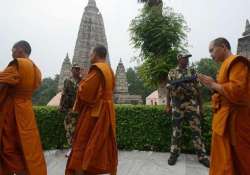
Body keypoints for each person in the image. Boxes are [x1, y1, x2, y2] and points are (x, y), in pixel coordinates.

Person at [198, 37, 250, 175]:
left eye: (212, 50)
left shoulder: (237, 62)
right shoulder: (225, 65)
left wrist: (213, 84)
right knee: (223, 159)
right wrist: (213, 86)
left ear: (223, 46)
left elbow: (238, 91)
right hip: (223, 119)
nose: (211, 54)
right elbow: (223, 90)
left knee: (238, 159)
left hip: (235, 121)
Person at [65, 45, 118, 175]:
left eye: (91, 54)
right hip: (107, 110)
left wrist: (81, 82)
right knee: (101, 142)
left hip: (95, 112)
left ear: (95, 54)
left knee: (82, 142)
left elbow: (85, 92)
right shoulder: (109, 70)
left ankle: (82, 168)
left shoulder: (97, 69)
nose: (89, 56)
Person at [0, 41, 47, 175]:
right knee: (26, 147)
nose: (12, 53)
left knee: (7, 148)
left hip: (12, 111)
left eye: (13, 50)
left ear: (20, 50)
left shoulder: (19, 65)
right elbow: (36, 85)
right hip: (26, 111)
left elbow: (2, 80)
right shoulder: (35, 69)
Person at [166, 53, 209, 167]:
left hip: (191, 104)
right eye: (185, 58)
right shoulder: (172, 72)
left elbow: (198, 90)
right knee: (176, 132)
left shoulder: (193, 72)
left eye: (188, 58)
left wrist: (202, 106)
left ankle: (202, 156)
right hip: (177, 105)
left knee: (197, 131)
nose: (187, 60)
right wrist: (167, 105)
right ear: (179, 59)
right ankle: (174, 154)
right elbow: (169, 90)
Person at [59, 64, 81, 157]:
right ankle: (71, 148)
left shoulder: (82, 81)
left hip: (80, 110)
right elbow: (64, 94)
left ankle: (77, 149)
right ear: (72, 70)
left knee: (79, 130)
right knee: (69, 129)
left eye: (78, 69)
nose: (76, 71)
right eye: (75, 69)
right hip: (70, 109)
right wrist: (62, 107)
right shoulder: (67, 81)